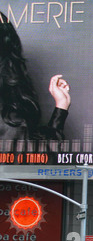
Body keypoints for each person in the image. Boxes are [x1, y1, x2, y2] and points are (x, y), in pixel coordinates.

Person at [0, 11, 70, 147]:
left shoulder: (10, 116)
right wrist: (61, 106)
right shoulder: (9, 118)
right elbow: (43, 155)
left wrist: (62, 105)